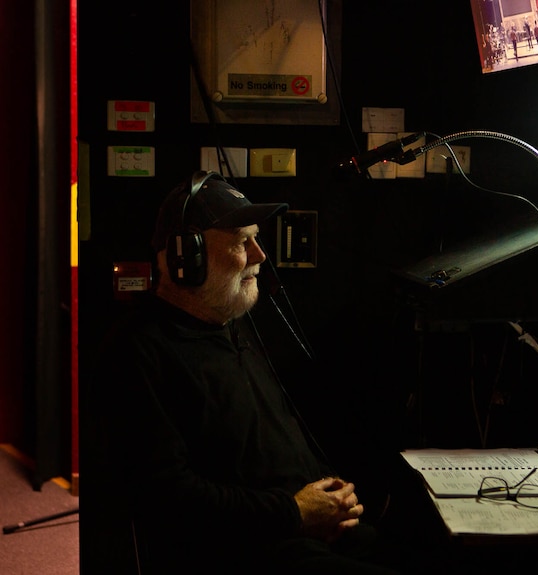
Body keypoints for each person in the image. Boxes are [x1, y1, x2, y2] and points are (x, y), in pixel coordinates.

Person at [89, 171, 403, 574]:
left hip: (309, 533)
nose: (259, 255)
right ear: (188, 257)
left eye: (256, 238)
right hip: (251, 551)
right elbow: (165, 497)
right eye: (242, 242)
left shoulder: (231, 327)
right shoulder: (136, 352)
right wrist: (293, 511)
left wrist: (330, 500)